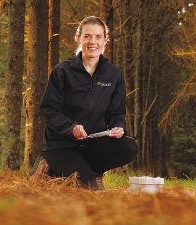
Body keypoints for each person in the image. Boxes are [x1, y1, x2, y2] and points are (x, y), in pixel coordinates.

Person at [29, 16, 138, 190]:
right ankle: (49, 169)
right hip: (61, 145)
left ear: (105, 40)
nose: (92, 42)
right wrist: (71, 127)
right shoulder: (63, 71)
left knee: (129, 147)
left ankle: (92, 172)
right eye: (87, 36)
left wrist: (119, 127)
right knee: (90, 190)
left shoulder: (114, 75)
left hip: (92, 144)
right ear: (78, 38)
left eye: (98, 36)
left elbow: (117, 112)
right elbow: (49, 110)